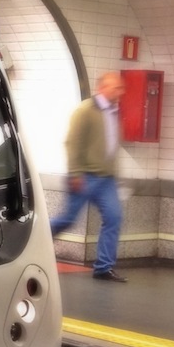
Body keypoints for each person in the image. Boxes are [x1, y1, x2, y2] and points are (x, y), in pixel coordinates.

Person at [50, 71, 128, 282]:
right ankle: (37, 240)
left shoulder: (114, 112)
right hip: (84, 176)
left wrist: (116, 176)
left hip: (107, 180)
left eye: (121, 88)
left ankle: (104, 267)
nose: (120, 91)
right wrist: (75, 173)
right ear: (101, 88)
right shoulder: (85, 110)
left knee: (114, 218)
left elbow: (112, 147)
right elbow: (72, 143)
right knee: (68, 219)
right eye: (115, 87)